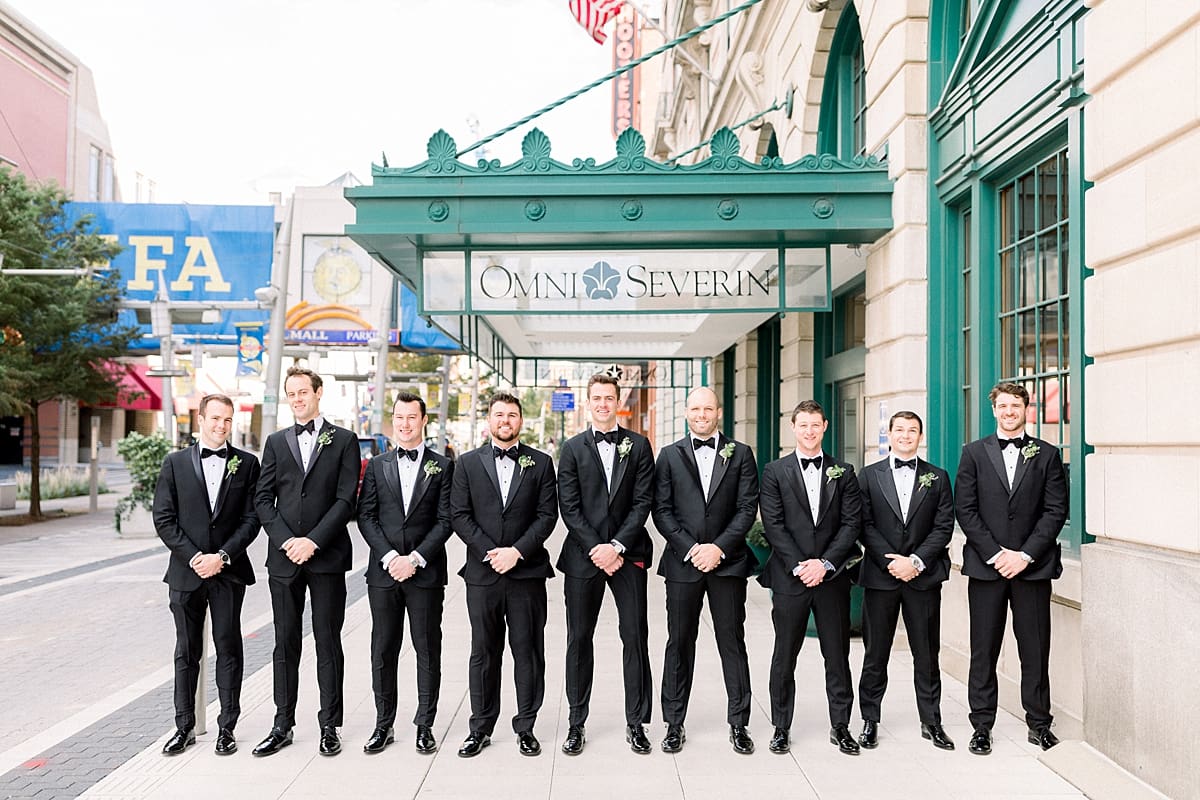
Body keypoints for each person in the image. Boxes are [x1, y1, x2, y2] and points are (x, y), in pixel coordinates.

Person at [251, 366, 361, 757]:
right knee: (285, 642)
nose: (297, 399)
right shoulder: (276, 442)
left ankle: (329, 725)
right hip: (284, 560)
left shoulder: (345, 440)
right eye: (291, 394)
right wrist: (287, 542)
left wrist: (312, 541)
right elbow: (263, 499)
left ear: (318, 393)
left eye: (303, 392)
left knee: (328, 641)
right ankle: (283, 723)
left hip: (327, 556)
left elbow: (347, 499)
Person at [956, 382, 1068, 755]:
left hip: (1032, 569)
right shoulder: (972, 453)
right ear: (994, 410)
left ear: (1026, 409)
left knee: (1034, 649)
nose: (1008, 411)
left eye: (1015, 406)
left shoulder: (1047, 454)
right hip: (987, 569)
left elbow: (1056, 510)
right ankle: (981, 726)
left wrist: (1024, 555)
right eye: (1002, 406)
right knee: (983, 649)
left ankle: (1039, 724)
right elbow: (965, 510)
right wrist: (995, 553)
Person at [450, 392, 558, 758]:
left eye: (512, 415)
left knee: (528, 652)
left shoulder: (541, 463)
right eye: (499, 415)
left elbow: (547, 516)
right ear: (489, 421)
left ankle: (526, 726)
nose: (505, 421)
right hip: (483, 575)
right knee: (483, 652)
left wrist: (517, 552)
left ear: (520, 422)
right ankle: (480, 727)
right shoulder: (466, 463)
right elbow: (459, 515)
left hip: (527, 573)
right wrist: (490, 553)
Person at [652, 386, 758, 755]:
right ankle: (674, 723)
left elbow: (747, 508)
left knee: (732, 642)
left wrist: (719, 548)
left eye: (707, 408)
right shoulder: (667, 456)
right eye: (695, 408)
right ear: (685, 412)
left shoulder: (741, 454)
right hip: (683, 564)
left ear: (719, 411)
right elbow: (661, 510)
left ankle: (740, 723)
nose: (701, 414)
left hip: (727, 565)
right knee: (679, 643)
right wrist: (693, 548)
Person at [153, 394, 261, 757]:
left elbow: (252, 519)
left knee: (229, 647)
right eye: (215, 418)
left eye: (228, 420)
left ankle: (227, 727)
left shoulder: (247, 464)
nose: (221, 425)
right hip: (187, 573)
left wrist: (224, 556)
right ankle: (183, 726)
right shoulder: (175, 463)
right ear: (200, 418)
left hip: (228, 573)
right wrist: (197, 557)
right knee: (186, 652)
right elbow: (164, 519)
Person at [556, 374, 656, 755]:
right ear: (588, 402)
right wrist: (597, 547)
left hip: (628, 555)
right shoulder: (572, 448)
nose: (602, 404)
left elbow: (642, 501)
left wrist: (616, 546)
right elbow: (570, 506)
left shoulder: (639, 445)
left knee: (635, 638)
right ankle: (576, 723)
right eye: (596, 398)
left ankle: (637, 722)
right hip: (584, 557)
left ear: (618, 402)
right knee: (579, 640)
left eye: (608, 398)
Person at [757, 399, 862, 756]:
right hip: (791, 578)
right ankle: (781, 727)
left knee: (837, 654)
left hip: (832, 580)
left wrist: (827, 564)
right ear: (793, 427)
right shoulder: (774, 471)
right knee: (784, 655)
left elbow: (851, 524)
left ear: (825, 426)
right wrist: (801, 565)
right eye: (803, 425)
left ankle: (841, 726)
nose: (809, 431)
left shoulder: (844, 472)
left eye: (815, 424)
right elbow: (773, 524)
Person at [357, 392, 454, 755]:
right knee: (383, 648)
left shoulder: (443, 466)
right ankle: (384, 723)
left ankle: (424, 724)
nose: (405, 423)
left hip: (425, 573)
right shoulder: (378, 464)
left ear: (423, 420)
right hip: (383, 574)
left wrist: (414, 558)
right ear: (392, 419)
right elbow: (365, 516)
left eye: (412, 417)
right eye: (399, 417)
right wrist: (389, 557)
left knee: (427, 648)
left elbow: (446, 520)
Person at [855, 411, 955, 750]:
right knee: (875, 653)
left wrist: (915, 561)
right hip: (882, 579)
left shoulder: (938, 477)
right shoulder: (868, 476)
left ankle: (932, 721)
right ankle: (869, 720)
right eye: (900, 430)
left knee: (926, 654)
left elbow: (944, 527)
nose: (906, 436)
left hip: (922, 578)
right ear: (889, 434)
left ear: (920, 436)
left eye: (912, 431)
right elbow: (864, 525)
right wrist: (892, 563)